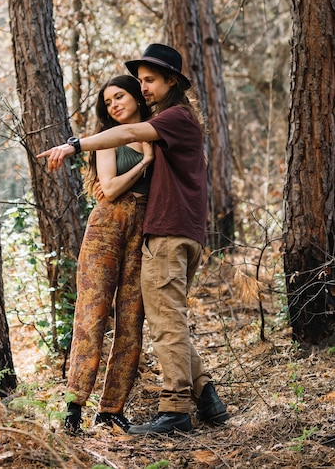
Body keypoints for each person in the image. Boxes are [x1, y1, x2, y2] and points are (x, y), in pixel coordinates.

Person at [38, 44, 229, 435]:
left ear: (170, 82)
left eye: (144, 83)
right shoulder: (146, 132)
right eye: (137, 82)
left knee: (147, 320)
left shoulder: (169, 123)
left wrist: (76, 144)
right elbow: (108, 186)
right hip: (123, 228)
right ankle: (200, 396)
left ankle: (134, 409)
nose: (139, 90)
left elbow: (137, 138)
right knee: (102, 315)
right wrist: (131, 156)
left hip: (157, 229)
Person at [63, 75, 154, 434]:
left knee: (132, 319)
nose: (114, 105)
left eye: (120, 97)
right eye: (108, 102)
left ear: (136, 97)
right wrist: (144, 162)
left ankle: (112, 409)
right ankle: (73, 407)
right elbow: (111, 189)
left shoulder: (156, 130)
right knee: (92, 312)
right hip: (106, 227)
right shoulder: (107, 140)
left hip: (144, 230)